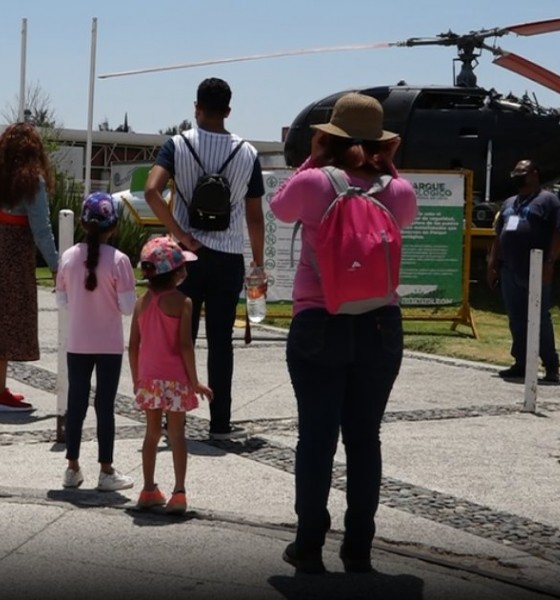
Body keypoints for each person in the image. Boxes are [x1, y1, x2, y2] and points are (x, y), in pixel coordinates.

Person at [269, 93, 418, 574]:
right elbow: (407, 211)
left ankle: (308, 544)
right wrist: (389, 168)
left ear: (329, 137)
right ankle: (358, 548)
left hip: (319, 322)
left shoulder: (314, 182)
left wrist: (313, 157)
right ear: (381, 143)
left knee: (316, 438)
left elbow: (279, 208)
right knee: (364, 438)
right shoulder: (397, 191)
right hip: (380, 324)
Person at [144, 77, 265, 440]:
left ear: (195, 107)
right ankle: (220, 424)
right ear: (228, 110)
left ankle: (172, 416)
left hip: (185, 257)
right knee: (220, 342)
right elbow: (255, 216)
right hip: (228, 257)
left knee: (180, 335)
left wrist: (180, 236)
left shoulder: (177, 145)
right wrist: (257, 265)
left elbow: (151, 191)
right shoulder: (247, 152)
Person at [0, 123, 59, 412]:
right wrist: (56, 265)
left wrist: (2, 139)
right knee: (4, 320)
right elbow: (42, 230)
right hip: (17, 251)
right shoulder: (33, 180)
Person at [56, 192, 137, 492]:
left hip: (77, 343)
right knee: (105, 406)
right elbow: (128, 307)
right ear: (113, 227)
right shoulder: (120, 261)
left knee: (75, 405)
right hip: (109, 345)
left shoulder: (67, 258)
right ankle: (106, 470)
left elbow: (62, 302)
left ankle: (72, 467)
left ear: (82, 222)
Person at [128, 237, 213, 514]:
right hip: (176, 379)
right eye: (182, 268)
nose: (185, 272)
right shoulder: (183, 302)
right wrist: (195, 380)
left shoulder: (140, 303)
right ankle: (179, 492)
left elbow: (133, 346)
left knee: (151, 433)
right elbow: (185, 345)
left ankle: (148, 488)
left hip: (149, 379)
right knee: (177, 434)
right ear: (174, 273)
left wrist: (136, 379)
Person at [486, 159, 560, 383]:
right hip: (509, 269)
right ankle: (521, 363)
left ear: (534, 174)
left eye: (522, 172)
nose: (517, 175)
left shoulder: (549, 201)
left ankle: (551, 365)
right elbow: (498, 235)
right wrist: (492, 265)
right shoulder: (510, 203)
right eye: (515, 172)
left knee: (540, 318)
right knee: (516, 319)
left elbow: (559, 233)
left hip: (537, 268)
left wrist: (549, 263)